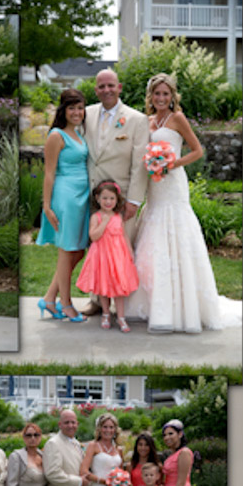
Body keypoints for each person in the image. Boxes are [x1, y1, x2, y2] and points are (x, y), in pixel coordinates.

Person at [123, 73, 241, 333]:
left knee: (175, 231)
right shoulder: (148, 121)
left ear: (173, 96)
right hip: (154, 186)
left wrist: (173, 162)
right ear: (151, 96)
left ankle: (180, 307)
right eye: (157, 94)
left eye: (166, 94)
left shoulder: (178, 118)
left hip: (173, 184)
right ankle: (151, 302)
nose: (162, 98)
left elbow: (197, 150)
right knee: (152, 235)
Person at [80, 68, 150, 317]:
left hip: (120, 199)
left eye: (111, 85)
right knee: (96, 250)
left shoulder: (136, 119)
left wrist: (133, 199)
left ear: (119, 87)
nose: (106, 90)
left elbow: (140, 163)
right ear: (96, 90)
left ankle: (123, 302)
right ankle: (98, 302)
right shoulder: (85, 114)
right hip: (91, 196)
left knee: (121, 250)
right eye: (101, 86)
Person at [37, 88, 92, 322]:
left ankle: (49, 298)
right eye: (72, 108)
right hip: (66, 196)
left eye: (80, 108)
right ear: (64, 110)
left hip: (82, 195)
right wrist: (47, 206)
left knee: (78, 250)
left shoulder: (79, 134)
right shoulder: (56, 136)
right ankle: (66, 303)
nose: (77, 112)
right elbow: (49, 174)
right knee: (67, 249)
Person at [74, 181, 139, 331]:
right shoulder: (96, 217)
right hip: (102, 257)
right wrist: (103, 223)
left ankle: (121, 317)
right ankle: (105, 313)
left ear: (116, 200)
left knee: (118, 287)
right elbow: (94, 236)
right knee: (103, 287)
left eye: (111, 198)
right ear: (97, 198)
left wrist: (129, 252)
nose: (108, 202)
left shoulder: (118, 217)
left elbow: (124, 236)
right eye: (104, 198)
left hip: (117, 257)